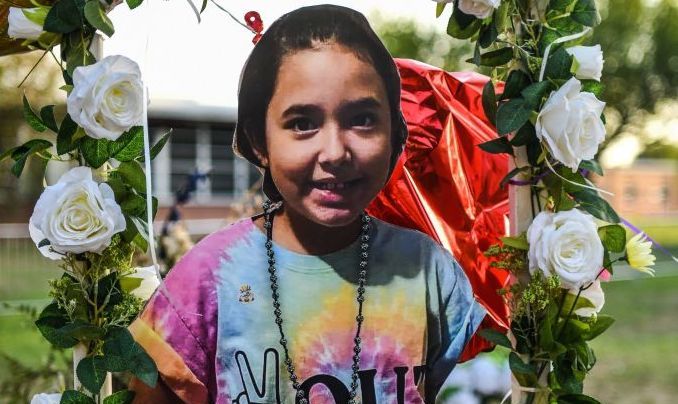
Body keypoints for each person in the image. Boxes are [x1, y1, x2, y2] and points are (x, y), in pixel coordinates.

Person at [129, 5, 486, 403]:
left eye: (363, 119)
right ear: (259, 141)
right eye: (302, 123)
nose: (335, 152)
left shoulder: (427, 271)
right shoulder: (208, 279)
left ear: (394, 131)